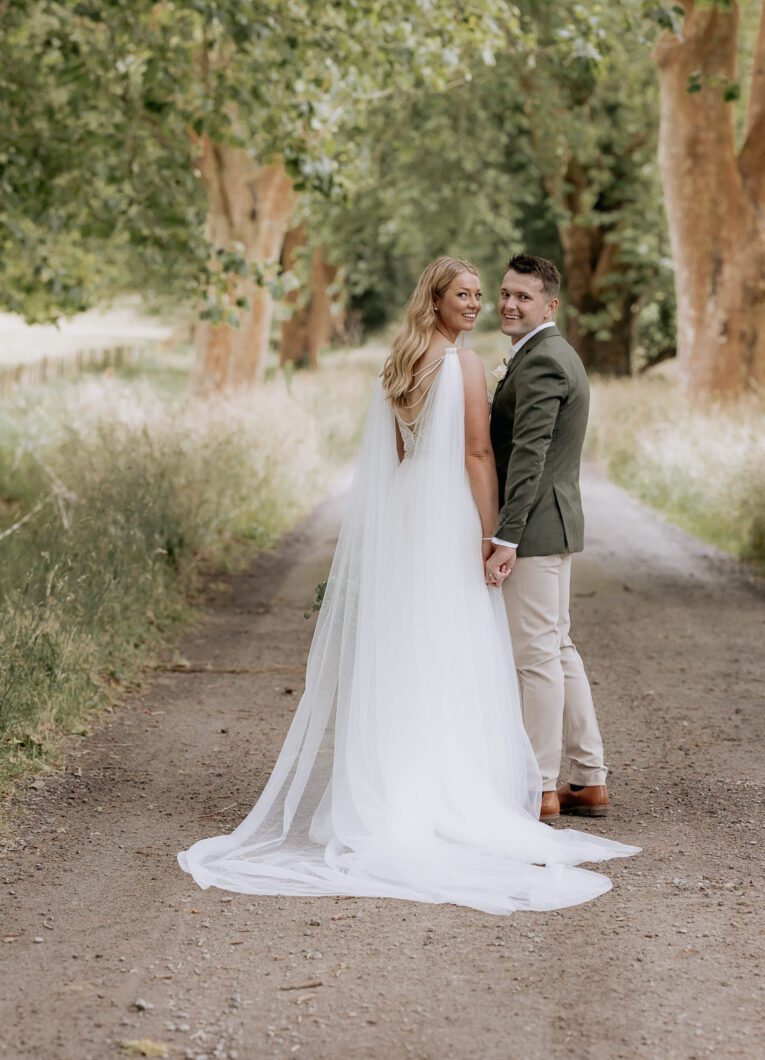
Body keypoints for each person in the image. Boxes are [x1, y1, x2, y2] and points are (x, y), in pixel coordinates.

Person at [178, 257, 639, 914]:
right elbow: (479, 455)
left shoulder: (402, 359)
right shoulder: (467, 364)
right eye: (471, 294)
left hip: (411, 521)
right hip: (454, 516)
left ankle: (432, 782)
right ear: (437, 298)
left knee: (419, 646)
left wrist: (405, 528)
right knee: (469, 647)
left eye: (493, 295)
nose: (483, 305)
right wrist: (490, 534)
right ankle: (508, 786)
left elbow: (396, 458)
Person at [485, 255, 611, 822]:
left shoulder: (541, 363)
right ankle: (588, 779)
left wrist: (505, 537)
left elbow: (529, 456)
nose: (510, 304)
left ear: (550, 305)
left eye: (524, 297)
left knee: (535, 656)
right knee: (557, 650)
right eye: (505, 293)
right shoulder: (549, 354)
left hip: (533, 529)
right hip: (554, 524)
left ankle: (540, 785)